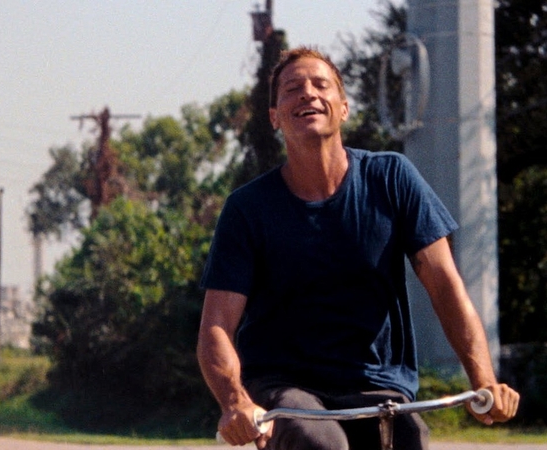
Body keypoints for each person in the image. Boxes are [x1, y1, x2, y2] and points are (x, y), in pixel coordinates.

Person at [196, 46, 520, 450]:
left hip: (377, 383)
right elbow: (216, 327)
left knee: (408, 438)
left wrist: (483, 381)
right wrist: (235, 402)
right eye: (293, 89)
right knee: (320, 442)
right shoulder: (248, 208)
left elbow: (445, 286)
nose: (308, 93)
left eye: (321, 85)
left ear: (344, 108)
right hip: (286, 386)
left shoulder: (392, 178)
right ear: (275, 117)